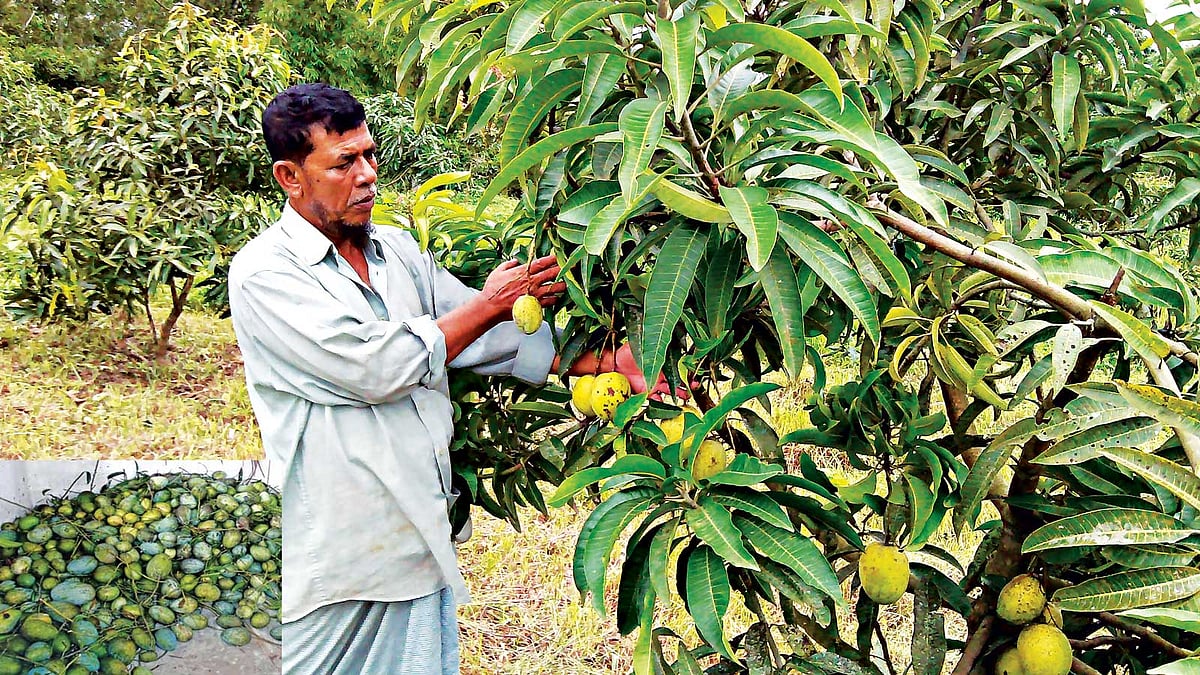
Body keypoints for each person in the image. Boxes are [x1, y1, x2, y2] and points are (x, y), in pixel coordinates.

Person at [228, 83, 660, 674]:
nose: (367, 175)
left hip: (417, 532)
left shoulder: (396, 252)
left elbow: (482, 337)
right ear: (290, 177)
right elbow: (376, 367)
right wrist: (491, 303)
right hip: (338, 546)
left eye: (370, 155)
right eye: (343, 163)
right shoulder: (265, 274)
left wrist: (610, 360)